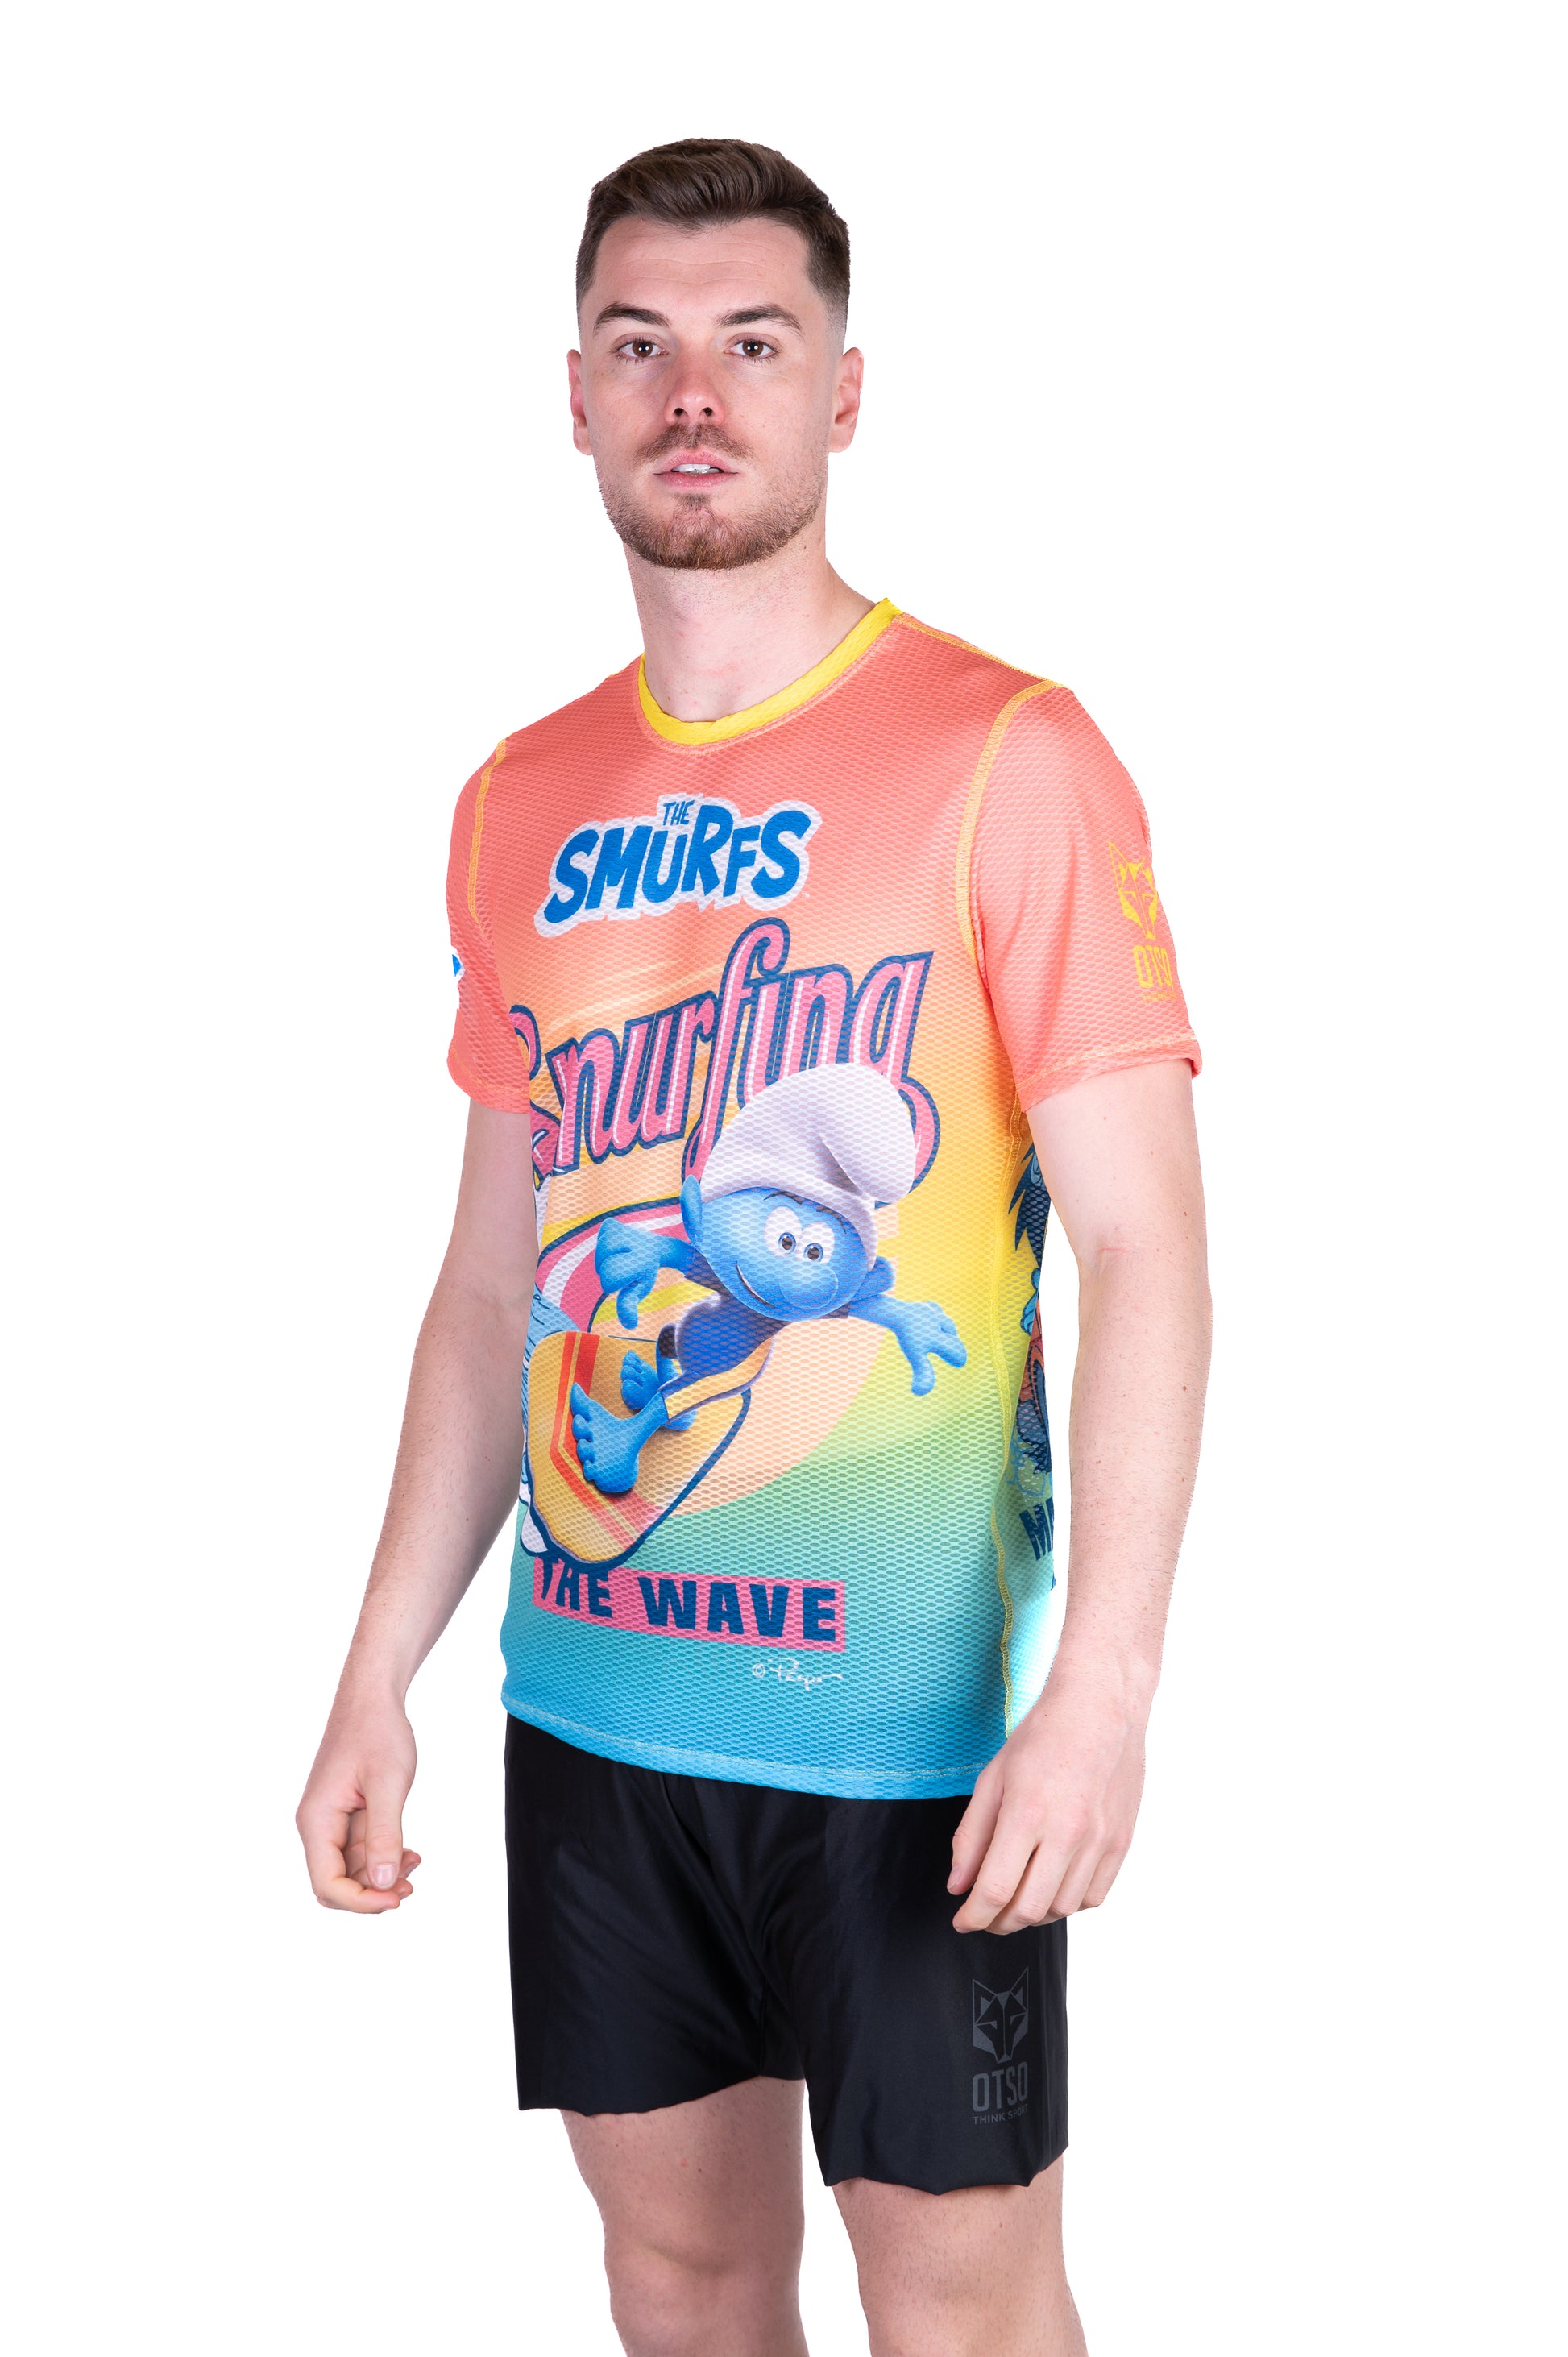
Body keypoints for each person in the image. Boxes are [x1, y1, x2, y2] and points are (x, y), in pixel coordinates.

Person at [297, 137, 1211, 2357]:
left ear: (844, 393)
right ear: (576, 396)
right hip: (596, 1713)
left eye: (752, 343)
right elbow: (490, 1290)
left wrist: (1100, 1691)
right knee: (682, 2283)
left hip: (911, 1733)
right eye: (639, 344)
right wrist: (377, 1667)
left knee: (963, 2307)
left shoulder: (1007, 756)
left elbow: (1146, 1250)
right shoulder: (517, 797)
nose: (691, 392)